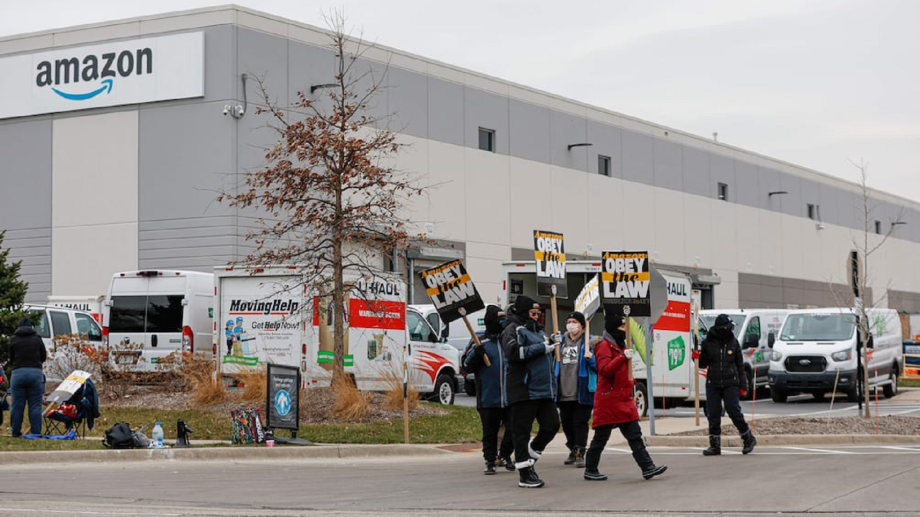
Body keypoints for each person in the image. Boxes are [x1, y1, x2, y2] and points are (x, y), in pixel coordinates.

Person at [584, 315, 667, 481]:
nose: (625, 331)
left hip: (622, 399)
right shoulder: (604, 346)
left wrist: (631, 382)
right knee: (601, 437)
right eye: (622, 328)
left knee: (634, 435)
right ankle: (590, 469)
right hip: (609, 400)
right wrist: (623, 357)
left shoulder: (620, 345)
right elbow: (605, 370)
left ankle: (647, 467)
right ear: (614, 329)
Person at [500, 295, 560, 488]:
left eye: (539, 313)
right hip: (524, 389)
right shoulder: (512, 329)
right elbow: (513, 353)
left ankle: (532, 453)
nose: (537, 316)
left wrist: (552, 341)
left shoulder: (539, 331)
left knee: (552, 425)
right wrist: (542, 348)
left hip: (543, 391)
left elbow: (544, 353)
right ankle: (525, 474)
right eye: (533, 313)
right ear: (524, 312)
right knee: (521, 432)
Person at [693, 313, 756, 456]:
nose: (730, 330)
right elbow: (702, 363)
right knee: (713, 413)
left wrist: (743, 385)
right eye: (728, 327)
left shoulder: (733, 342)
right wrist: (696, 357)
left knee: (733, 410)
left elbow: (740, 365)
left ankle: (748, 438)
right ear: (721, 328)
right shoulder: (708, 342)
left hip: (730, 382)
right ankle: (714, 445)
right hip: (713, 382)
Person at [464, 304, 515, 475]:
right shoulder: (479, 342)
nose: (502, 324)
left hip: (509, 396)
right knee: (490, 432)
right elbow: (466, 366)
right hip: (488, 396)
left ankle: (505, 455)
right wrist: (476, 354)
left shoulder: (508, 340)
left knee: (513, 428)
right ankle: (490, 460)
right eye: (499, 321)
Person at [553, 311, 596, 468]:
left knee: (580, 422)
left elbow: (598, 366)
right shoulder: (561, 342)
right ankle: (572, 447)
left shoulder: (590, 341)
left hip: (581, 389)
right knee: (566, 423)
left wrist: (590, 358)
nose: (571, 325)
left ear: (582, 325)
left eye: (575, 322)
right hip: (563, 389)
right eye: (569, 321)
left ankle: (580, 452)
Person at [9, 317, 47, 437]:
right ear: (31, 327)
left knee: (17, 406)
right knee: (35, 406)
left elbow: (11, 358)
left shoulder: (14, 339)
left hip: (18, 373)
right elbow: (43, 356)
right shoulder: (37, 339)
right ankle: (36, 433)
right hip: (35, 373)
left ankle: (15, 432)